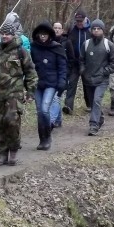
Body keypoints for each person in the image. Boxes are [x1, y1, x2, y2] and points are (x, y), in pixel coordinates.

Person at [0, 22, 38, 166]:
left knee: (12, 122)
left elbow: (31, 72)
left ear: (13, 35)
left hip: (14, 94)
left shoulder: (21, 51)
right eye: (2, 33)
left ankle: (13, 152)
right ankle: (1, 154)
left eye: (7, 34)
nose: (4, 36)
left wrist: (30, 91)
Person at [30, 21, 67, 150]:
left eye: (45, 34)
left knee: (45, 109)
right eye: (41, 34)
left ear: (49, 35)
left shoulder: (57, 47)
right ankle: (43, 138)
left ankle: (47, 136)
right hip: (37, 83)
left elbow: (62, 66)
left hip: (52, 83)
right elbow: (29, 66)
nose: (43, 37)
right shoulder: (33, 47)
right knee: (40, 112)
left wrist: (62, 82)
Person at [80, 19, 114, 136]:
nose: (96, 31)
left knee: (97, 100)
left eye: (98, 29)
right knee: (92, 103)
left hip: (102, 80)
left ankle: (93, 125)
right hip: (88, 79)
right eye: (94, 29)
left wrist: (104, 71)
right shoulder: (86, 44)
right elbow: (81, 60)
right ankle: (99, 118)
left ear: (103, 30)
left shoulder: (108, 45)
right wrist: (83, 70)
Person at [64, 10, 91, 114]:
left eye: (81, 21)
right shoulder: (72, 30)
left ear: (85, 19)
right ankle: (68, 106)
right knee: (71, 83)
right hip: (74, 61)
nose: (79, 23)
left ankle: (89, 104)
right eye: (77, 21)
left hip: (87, 62)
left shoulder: (91, 30)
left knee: (87, 84)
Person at [52, 22, 74, 126]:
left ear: (62, 30)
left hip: (63, 74)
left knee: (57, 96)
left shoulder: (67, 42)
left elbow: (71, 59)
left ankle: (52, 121)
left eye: (59, 28)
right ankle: (58, 119)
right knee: (56, 97)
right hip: (51, 74)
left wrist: (67, 72)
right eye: (55, 28)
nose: (56, 30)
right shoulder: (48, 42)